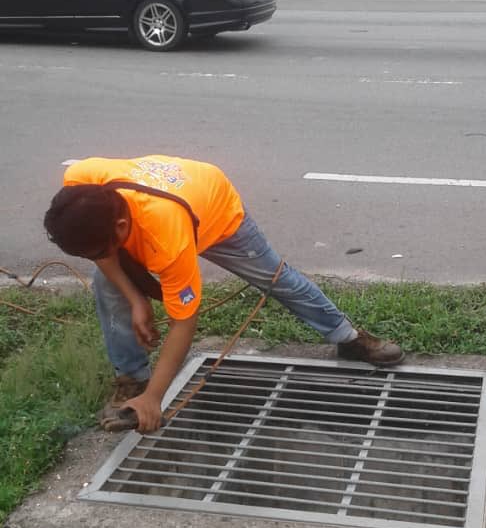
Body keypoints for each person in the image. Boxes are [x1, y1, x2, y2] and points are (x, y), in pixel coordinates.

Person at [44, 155, 403, 433]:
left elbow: (184, 321)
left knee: (276, 277)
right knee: (108, 285)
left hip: (215, 209)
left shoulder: (166, 238)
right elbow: (102, 253)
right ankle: (131, 379)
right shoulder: (81, 183)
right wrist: (136, 298)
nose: (97, 259)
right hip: (169, 198)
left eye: (96, 252)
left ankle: (349, 338)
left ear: (121, 227)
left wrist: (157, 399)